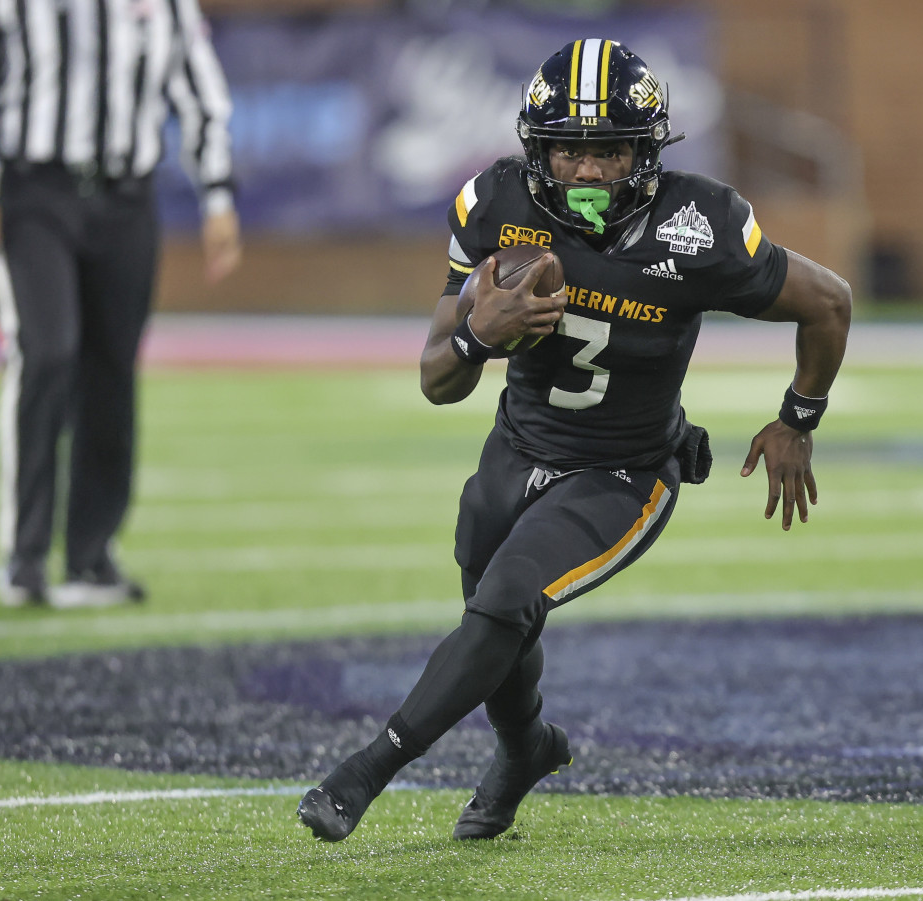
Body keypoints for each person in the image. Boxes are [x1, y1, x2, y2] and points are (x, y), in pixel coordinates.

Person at [298, 38, 850, 842]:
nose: (588, 171)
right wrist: (479, 338)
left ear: (647, 153)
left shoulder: (701, 226)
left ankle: (366, 770)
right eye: (568, 150)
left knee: (506, 600)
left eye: (611, 150)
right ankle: (525, 750)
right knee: (492, 621)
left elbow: (828, 302)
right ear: (537, 150)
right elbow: (435, 377)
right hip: (516, 448)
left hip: (624, 470)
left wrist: (799, 419)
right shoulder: (494, 209)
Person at [0, 0, 242, 607]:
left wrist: (218, 194)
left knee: (113, 368)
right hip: (34, 192)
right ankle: (25, 556)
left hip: (125, 199)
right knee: (46, 352)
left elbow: (200, 89)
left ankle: (91, 558)